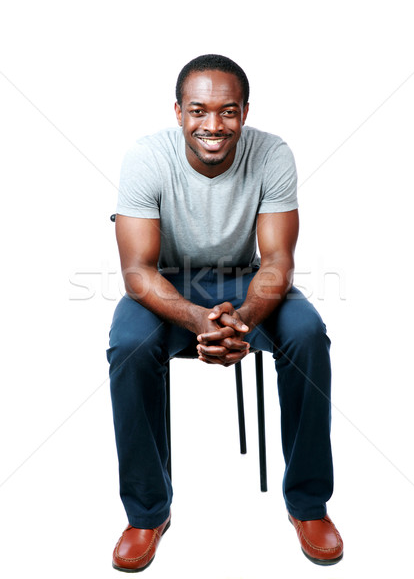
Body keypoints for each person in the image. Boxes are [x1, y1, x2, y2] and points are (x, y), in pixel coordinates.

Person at [107, 53, 343, 572]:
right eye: (198, 110)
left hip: (247, 278)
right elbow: (137, 271)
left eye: (228, 111)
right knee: (128, 345)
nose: (213, 125)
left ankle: (308, 505)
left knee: (307, 333)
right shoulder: (146, 157)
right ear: (178, 112)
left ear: (244, 112)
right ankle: (147, 513)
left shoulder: (273, 153)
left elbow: (278, 260)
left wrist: (243, 320)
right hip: (166, 282)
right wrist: (197, 320)